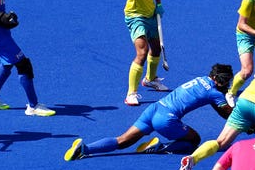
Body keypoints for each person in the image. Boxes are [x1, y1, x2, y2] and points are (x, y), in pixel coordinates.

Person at [63, 64, 234, 161]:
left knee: (122, 141)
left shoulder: (200, 78)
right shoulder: (215, 93)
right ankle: (159, 147)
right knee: (194, 140)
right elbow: (226, 114)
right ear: (220, 80)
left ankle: (85, 149)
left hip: (153, 110)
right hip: (167, 120)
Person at [113, 0, 169, 106]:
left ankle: (150, 79)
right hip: (135, 15)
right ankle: (131, 93)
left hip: (151, 13)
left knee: (156, 49)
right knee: (142, 52)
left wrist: (158, 3)